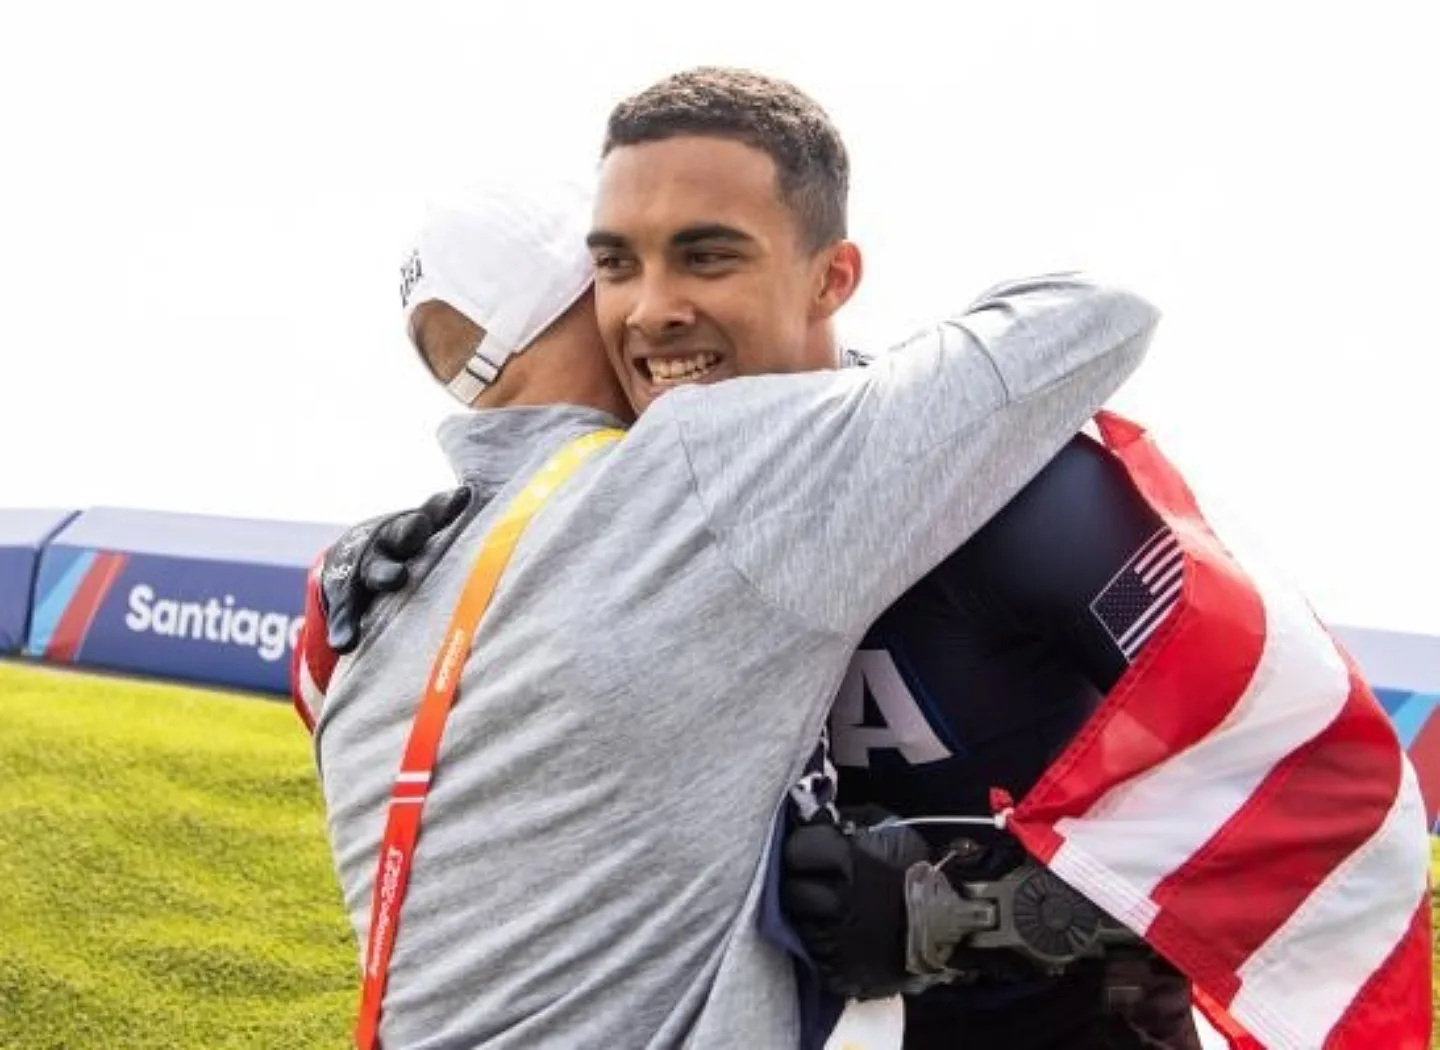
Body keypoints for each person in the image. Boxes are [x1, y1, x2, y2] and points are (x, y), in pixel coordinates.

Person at [293, 153, 1156, 1050]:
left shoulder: (385, 594)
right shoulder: (676, 494)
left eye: (696, 263)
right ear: (581, 303)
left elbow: (1264, 798)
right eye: (621, 272)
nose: (656, 313)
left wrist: (983, 914)